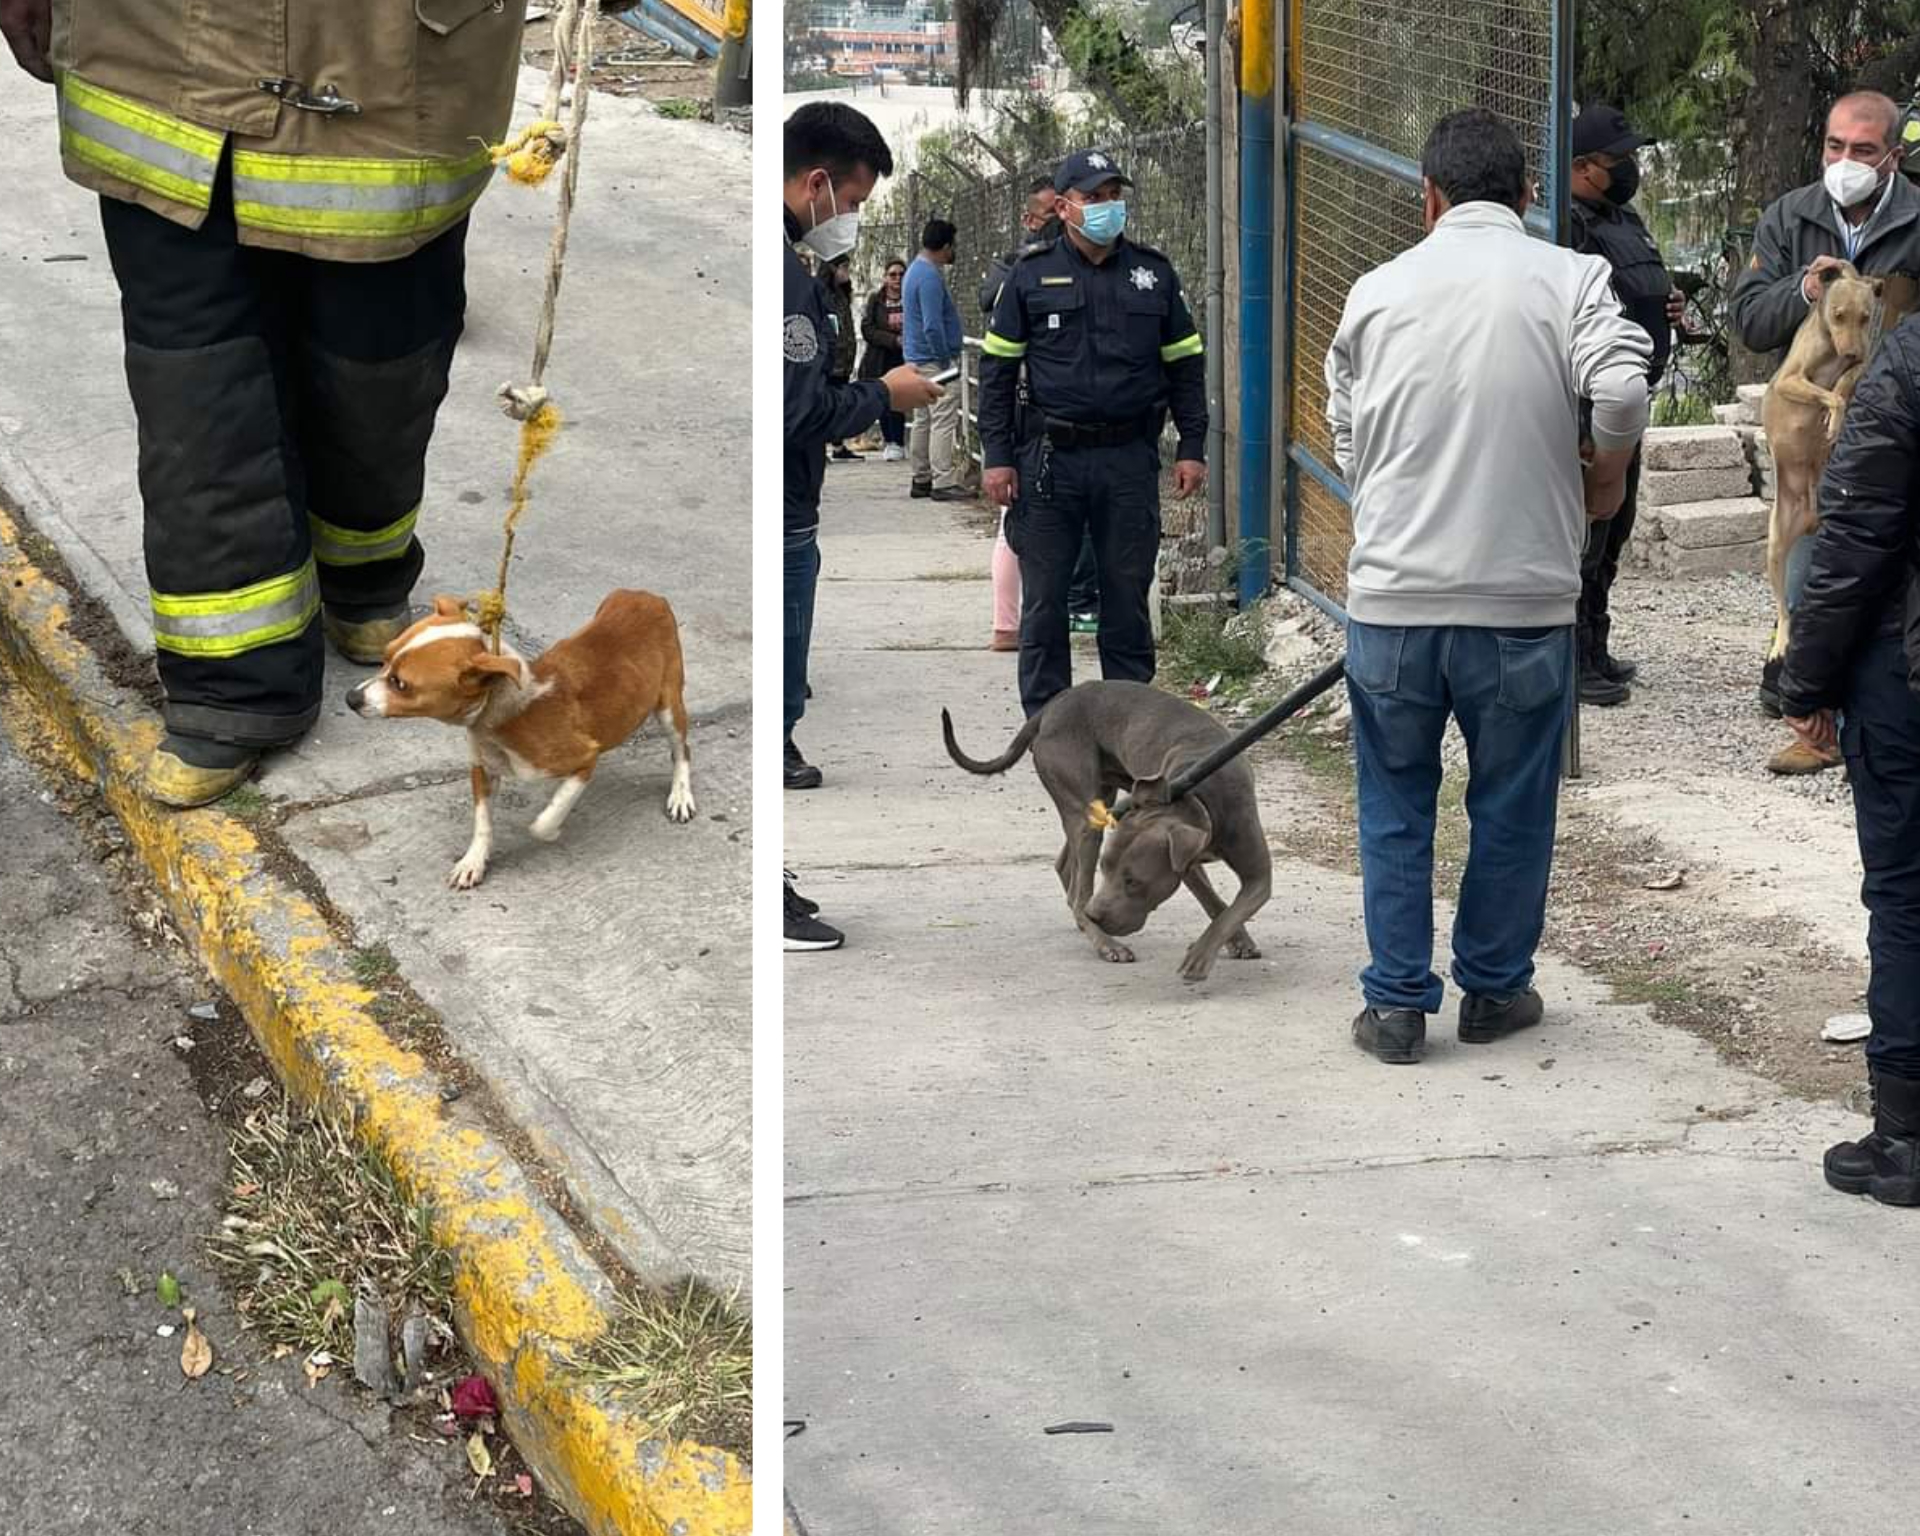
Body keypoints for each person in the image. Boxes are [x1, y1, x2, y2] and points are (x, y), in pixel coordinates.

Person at [2, 0, 523, 807]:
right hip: (155, 50)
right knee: (197, 388)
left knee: (379, 366)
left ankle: (366, 577)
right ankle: (232, 688)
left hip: (396, 60)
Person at [1324, 108, 1651, 1066]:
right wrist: (1608, 474)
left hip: (1393, 606)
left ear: (1427, 198)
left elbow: (1347, 437)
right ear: (1527, 193)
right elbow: (1623, 392)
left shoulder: (1376, 292)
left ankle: (1394, 1007)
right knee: (1510, 803)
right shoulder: (1572, 278)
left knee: (1395, 804)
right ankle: (1496, 991)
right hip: (1523, 608)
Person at [782, 101, 942, 948]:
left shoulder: (787, 262)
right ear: (817, 183)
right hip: (781, 519)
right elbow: (796, 412)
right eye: (851, 200)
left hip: (783, 510)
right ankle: (766, 893)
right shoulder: (787, 279)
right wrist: (889, 395)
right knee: (777, 710)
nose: (851, 220)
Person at [1729, 90, 1920, 775]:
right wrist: (1803, 293)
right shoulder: (1791, 215)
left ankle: (1878, 720)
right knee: (1815, 556)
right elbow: (1749, 320)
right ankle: (1812, 719)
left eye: (1863, 150)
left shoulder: (1916, 221)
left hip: (1890, 426)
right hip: (1811, 429)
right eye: (1835, 147)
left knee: (1888, 568)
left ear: (1892, 155)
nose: (1845, 162)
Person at [979, 148, 1207, 717]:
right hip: (1052, 461)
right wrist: (998, 456)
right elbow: (997, 372)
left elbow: (1185, 364)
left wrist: (1193, 446)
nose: (1108, 207)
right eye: (1094, 197)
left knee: (1126, 597)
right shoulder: (1030, 276)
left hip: (1129, 459)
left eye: (1114, 196)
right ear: (1063, 207)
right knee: (1046, 603)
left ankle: (1130, 727)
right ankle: (1050, 726)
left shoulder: (1153, 273)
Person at [1776, 313, 1920, 1207]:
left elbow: (1857, 533)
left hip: (1905, 679)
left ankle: (1905, 1137)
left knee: (1906, 892)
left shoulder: (1909, 360)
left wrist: (1807, 681)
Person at [1568, 104, 1685, 708]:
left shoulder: (1623, 217)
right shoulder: (1566, 225)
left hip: (1632, 399)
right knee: (1589, 532)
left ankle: (1596, 645)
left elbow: (1639, 287)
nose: (1631, 168)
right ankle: (1573, 659)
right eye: (1621, 161)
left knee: (1615, 531)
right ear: (1583, 167)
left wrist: (1669, 309)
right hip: (1591, 406)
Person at [902, 218, 967, 502]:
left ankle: (921, 476)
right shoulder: (929, 276)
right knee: (942, 417)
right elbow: (932, 325)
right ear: (944, 246)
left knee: (923, 418)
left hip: (916, 356)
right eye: (953, 245)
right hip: (934, 359)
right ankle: (943, 480)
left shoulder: (914, 271)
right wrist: (945, 361)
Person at [859, 258, 909, 462]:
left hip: (903, 358)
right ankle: (890, 441)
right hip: (880, 358)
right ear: (885, 278)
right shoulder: (875, 300)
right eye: (893, 274)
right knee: (883, 399)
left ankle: (899, 441)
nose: (897, 279)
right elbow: (868, 329)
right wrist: (893, 340)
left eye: (901, 274)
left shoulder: (910, 297)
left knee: (899, 399)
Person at [824, 255, 862, 461]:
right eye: (843, 268)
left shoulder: (842, 294)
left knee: (840, 404)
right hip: (831, 361)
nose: (846, 272)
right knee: (827, 404)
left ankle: (838, 445)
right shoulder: (823, 294)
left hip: (844, 359)